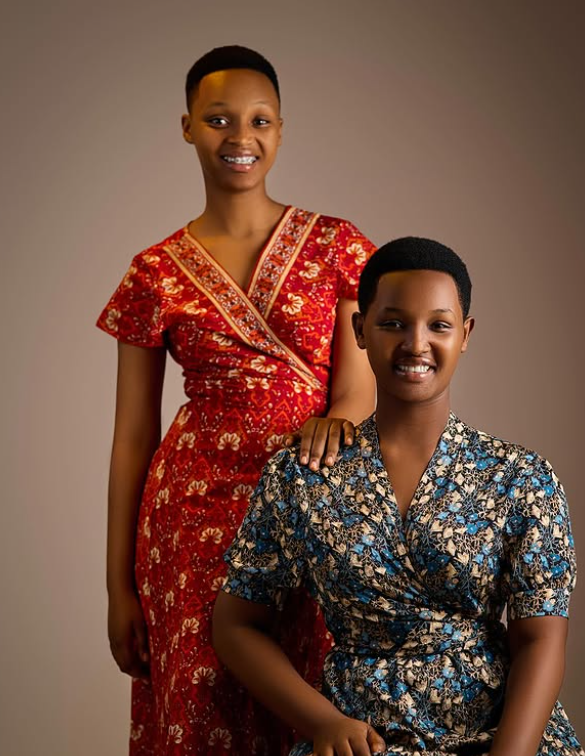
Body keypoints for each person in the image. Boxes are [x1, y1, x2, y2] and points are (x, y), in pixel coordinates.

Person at [97, 45, 376, 756]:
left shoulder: (337, 245)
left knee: (312, 703)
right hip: (191, 518)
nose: (240, 137)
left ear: (280, 129)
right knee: (200, 705)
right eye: (218, 119)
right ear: (187, 126)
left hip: (310, 500)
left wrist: (336, 423)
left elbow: (357, 386)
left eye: (259, 120)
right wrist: (119, 587)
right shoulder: (153, 272)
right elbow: (133, 436)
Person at [213, 236, 583, 756]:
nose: (416, 343)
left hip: (501, 736)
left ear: (465, 335)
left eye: (439, 325)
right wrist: (322, 722)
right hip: (361, 739)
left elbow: (540, 639)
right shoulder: (301, 477)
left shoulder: (522, 478)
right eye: (393, 323)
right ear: (360, 329)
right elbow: (235, 625)